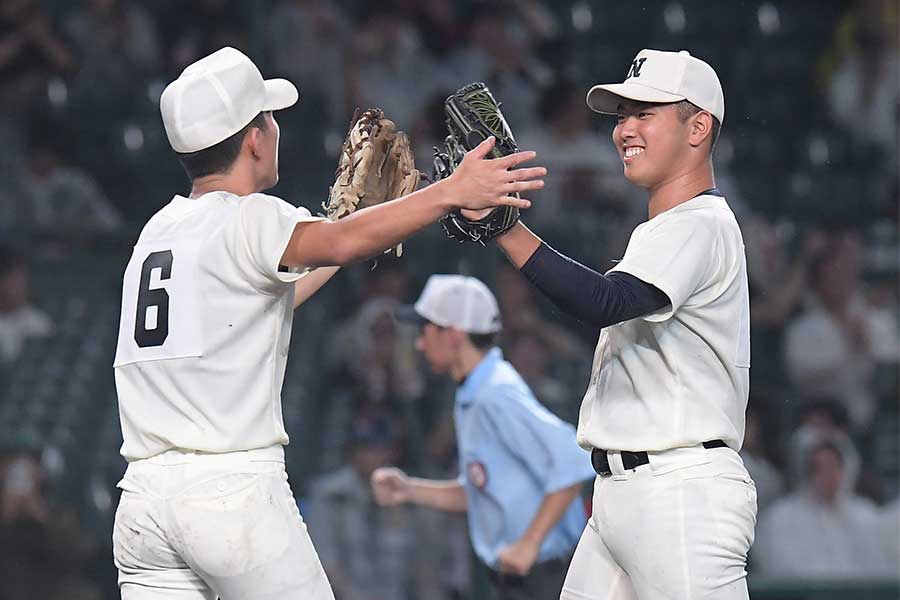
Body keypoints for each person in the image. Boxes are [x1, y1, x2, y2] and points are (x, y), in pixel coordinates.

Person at [110, 46, 544, 600]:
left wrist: (345, 227)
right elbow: (339, 242)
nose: (275, 129)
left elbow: (267, 305)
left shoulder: (158, 233)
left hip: (144, 504)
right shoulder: (249, 216)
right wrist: (450, 192)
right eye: (270, 117)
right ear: (254, 138)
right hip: (229, 491)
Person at [464, 49, 757, 599]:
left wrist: (505, 226)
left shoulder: (702, 222)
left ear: (698, 127)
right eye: (622, 114)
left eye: (645, 112)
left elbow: (603, 299)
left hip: (680, 493)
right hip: (622, 496)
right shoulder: (665, 227)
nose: (624, 128)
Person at [371, 274, 594, 600]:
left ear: (454, 334)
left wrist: (529, 544)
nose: (419, 342)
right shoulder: (474, 390)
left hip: (546, 576)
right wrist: (409, 490)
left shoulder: (496, 393)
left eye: (426, 330)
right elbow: (479, 490)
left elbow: (573, 464)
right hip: (520, 578)